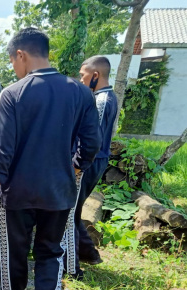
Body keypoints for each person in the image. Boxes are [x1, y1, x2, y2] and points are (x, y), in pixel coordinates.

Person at [0, 28, 101, 290]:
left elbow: (2, 150)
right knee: (50, 251)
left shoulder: (13, 93)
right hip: (59, 191)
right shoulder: (80, 92)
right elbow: (91, 143)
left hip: (18, 192)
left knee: (14, 252)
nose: (13, 69)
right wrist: (75, 168)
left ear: (21, 55)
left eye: (12, 61)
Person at [65, 56, 118, 276]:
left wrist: (78, 166)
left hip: (89, 162)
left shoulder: (101, 101)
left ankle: (72, 268)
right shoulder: (101, 97)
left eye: (82, 74)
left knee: (68, 212)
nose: (80, 78)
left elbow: (93, 139)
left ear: (95, 75)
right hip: (92, 160)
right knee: (75, 210)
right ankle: (89, 253)